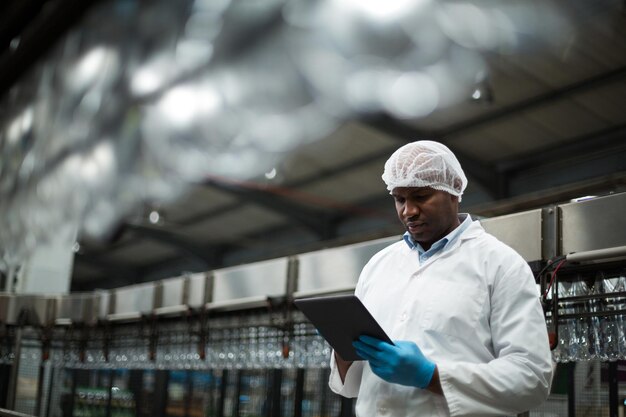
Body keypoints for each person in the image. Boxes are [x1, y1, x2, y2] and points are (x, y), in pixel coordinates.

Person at [329, 140, 553, 416]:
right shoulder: (379, 265)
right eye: (400, 199)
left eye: (421, 197)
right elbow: (351, 386)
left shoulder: (500, 265)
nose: (408, 211)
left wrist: (431, 376)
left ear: (454, 192)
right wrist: (343, 350)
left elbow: (531, 379)